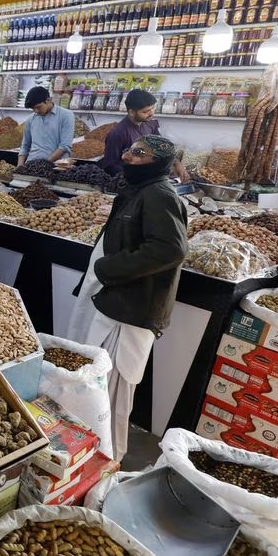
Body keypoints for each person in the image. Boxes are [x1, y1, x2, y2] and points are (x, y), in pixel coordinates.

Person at [66, 135, 188, 463]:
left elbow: (170, 249)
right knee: (95, 389)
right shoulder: (139, 190)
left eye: (138, 153)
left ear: (158, 162)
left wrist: (108, 269)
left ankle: (108, 461)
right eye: (129, 150)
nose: (127, 156)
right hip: (113, 302)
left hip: (131, 312)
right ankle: (87, 456)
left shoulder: (160, 195)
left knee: (113, 397)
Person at [101, 89, 190, 182]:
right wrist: (138, 177)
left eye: (152, 108)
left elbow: (162, 148)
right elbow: (110, 166)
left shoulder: (150, 124)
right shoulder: (118, 133)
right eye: (145, 111)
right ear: (131, 112)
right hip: (131, 182)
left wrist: (177, 163)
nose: (151, 113)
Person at [18, 86, 75, 164]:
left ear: (48, 100)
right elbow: (25, 146)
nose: (36, 111)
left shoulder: (66, 115)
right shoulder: (30, 119)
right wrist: (20, 166)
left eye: (38, 107)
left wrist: (45, 164)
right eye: (33, 108)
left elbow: (64, 146)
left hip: (57, 166)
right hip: (32, 164)